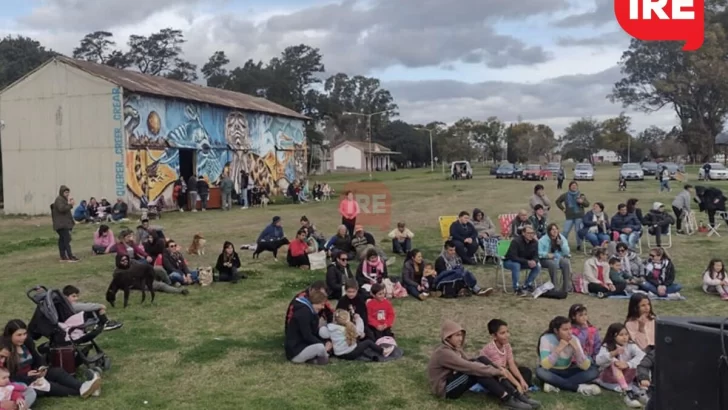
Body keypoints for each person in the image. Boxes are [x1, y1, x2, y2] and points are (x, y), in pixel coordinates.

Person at [426, 320, 534, 409]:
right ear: (447, 337)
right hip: (446, 389)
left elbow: (469, 361)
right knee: (477, 370)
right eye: (457, 335)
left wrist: (494, 368)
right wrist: (498, 371)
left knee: (481, 360)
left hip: (454, 379)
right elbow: (469, 366)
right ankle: (506, 398)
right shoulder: (444, 352)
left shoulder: (455, 348)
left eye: (461, 335)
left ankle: (515, 394)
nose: (460, 338)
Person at [2, 320, 101, 398]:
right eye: (19, 335)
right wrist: (26, 375)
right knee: (51, 386)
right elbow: (7, 377)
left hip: (34, 374)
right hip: (22, 381)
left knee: (58, 372)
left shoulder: (26, 343)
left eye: (24, 334)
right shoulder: (4, 351)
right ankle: (86, 390)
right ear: (10, 335)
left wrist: (41, 368)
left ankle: (83, 387)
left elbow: (37, 357)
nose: (23, 337)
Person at [536, 316, 601, 395]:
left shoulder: (574, 339)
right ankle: (579, 387)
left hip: (568, 370)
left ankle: (555, 384)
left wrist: (577, 349)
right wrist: (559, 349)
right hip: (551, 371)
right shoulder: (546, 339)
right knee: (540, 371)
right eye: (565, 330)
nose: (569, 332)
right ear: (556, 331)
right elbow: (545, 365)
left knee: (593, 371)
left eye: (570, 329)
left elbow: (585, 366)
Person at [481, 319, 541, 405]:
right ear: (494, 336)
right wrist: (517, 384)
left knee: (526, 372)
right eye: (502, 333)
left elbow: (511, 363)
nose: (507, 335)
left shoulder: (506, 345)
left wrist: (521, 380)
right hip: (494, 375)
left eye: (507, 332)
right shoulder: (491, 349)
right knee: (503, 379)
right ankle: (514, 394)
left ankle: (516, 390)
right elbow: (502, 370)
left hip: (505, 372)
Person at [595, 323, 646, 408]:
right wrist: (612, 354)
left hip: (628, 378)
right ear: (613, 336)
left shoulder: (631, 345)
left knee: (642, 363)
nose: (625, 337)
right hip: (610, 379)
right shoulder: (607, 346)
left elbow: (642, 355)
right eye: (621, 335)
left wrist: (628, 364)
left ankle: (643, 392)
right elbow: (598, 361)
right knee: (615, 362)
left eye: (626, 334)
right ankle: (627, 393)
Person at [318, 310, 393, 360]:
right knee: (368, 342)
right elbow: (360, 331)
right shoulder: (349, 328)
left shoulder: (331, 328)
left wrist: (323, 326)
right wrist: (358, 319)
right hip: (351, 354)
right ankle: (383, 351)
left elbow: (323, 334)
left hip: (338, 354)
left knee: (356, 342)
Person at [284, 290, 331, 364]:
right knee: (320, 347)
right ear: (315, 303)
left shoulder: (310, 311)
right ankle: (323, 357)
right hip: (296, 352)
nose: (323, 307)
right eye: (321, 305)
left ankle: (315, 358)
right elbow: (307, 336)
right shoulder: (303, 314)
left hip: (302, 346)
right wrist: (323, 344)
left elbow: (313, 332)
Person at [503, 225, 541, 296]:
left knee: (537, 266)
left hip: (524, 262)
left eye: (532, 233)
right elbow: (513, 257)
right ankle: (516, 288)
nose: (531, 235)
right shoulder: (516, 241)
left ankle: (527, 285)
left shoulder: (535, 242)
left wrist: (534, 261)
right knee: (516, 265)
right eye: (529, 233)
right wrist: (527, 262)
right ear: (523, 233)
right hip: (509, 261)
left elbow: (536, 255)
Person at [555, 181, 590, 251]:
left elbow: (587, 204)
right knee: (565, 231)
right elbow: (557, 201)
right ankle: (561, 244)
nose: (574, 187)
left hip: (579, 216)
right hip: (569, 216)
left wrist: (582, 202)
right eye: (572, 185)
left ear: (577, 187)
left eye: (575, 185)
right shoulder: (565, 195)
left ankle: (579, 245)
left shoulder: (581, 195)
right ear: (569, 187)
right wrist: (563, 209)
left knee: (578, 231)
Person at [538, 223, 572, 292]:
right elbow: (538, 252)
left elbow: (567, 252)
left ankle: (565, 288)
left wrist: (562, 245)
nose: (555, 231)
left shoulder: (561, 238)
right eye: (553, 229)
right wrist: (547, 254)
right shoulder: (543, 240)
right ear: (549, 231)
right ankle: (555, 287)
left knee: (565, 262)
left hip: (558, 258)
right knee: (552, 264)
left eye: (556, 229)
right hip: (545, 259)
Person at [51, 185, 78, 262]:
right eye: (66, 192)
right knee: (66, 240)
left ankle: (63, 256)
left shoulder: (63, 199)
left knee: (62, 240)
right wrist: (70, 205)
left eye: (68, 192)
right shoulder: (59, 199)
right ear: (62, 192)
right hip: (61, 224)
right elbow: (61, 209)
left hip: (62, 224)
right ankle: (70, 256)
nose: (67, 194)